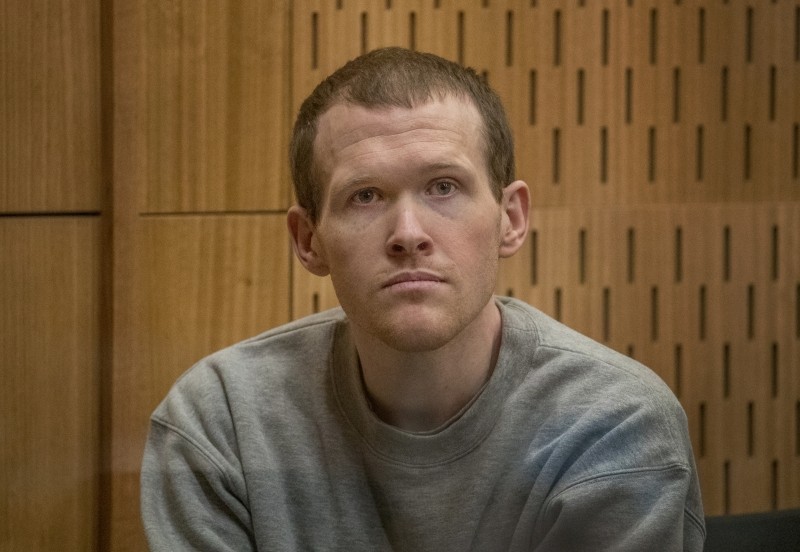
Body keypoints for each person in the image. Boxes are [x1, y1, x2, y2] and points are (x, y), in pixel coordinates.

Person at [141, 47, 705, 551]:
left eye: (443, 187)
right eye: (365, 196)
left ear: (511, 220)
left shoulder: (613, 424)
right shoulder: (220, 421)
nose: (408, 232)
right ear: (309, 241)